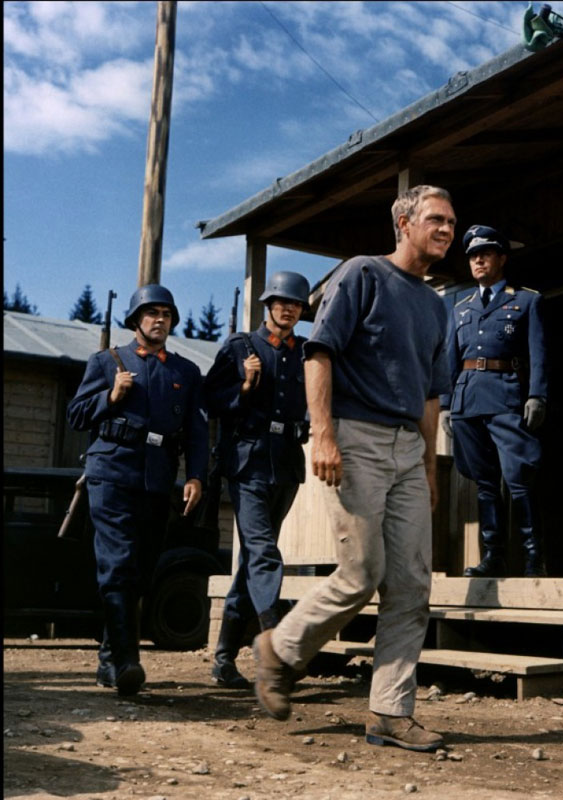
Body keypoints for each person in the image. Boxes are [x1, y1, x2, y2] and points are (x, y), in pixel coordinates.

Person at [252, 185, 455, 752]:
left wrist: (431, 468)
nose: (445, 230)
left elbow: (432, 397)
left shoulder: (437, 306)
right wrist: (323, 435)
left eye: (451, 222)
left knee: (413, 583)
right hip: (356, 437)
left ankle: (390, 713)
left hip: (407, 449)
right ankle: (280, 648)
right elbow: (320, 353)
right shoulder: (362, 274)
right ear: (403, 221)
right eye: (435, 219)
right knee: (361, 571)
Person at [67, 284, 208, 696]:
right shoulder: (107, 361)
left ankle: (111, 662)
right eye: (151, 313)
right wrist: (110, 397)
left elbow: (197, 433)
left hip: (157, 477)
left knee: (144, 568)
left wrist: (196, 476)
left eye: (166, 313)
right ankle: (128, 660)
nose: (159, 319)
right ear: (135, 320)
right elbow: (76, 414)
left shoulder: (185, 372)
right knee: (118, 563)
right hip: (111, 472)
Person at [204, 271, 310, 689]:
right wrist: (244, 387)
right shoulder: (240, 347)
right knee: (264, 552)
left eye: (296, 304)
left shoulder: (306, 351)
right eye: (281, 302)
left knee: (252, 561)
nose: (287, 308)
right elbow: (209, 399)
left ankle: (224, 659)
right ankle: (278, 644)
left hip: (286, 463)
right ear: (267, 306)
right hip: (247, 462)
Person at [441, 225, 548, 578]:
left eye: (485, 253)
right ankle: (494, 557)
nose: (478, 260)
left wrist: (537, 394)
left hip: (506, 396)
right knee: (484, 482)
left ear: (502, 258)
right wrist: (445, 403)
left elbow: (538, 352)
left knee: (518, 478)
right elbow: (449, 357)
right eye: (473, 255)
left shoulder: (526, 300)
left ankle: (534, 557)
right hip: (467, 400)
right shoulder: (460, 307)